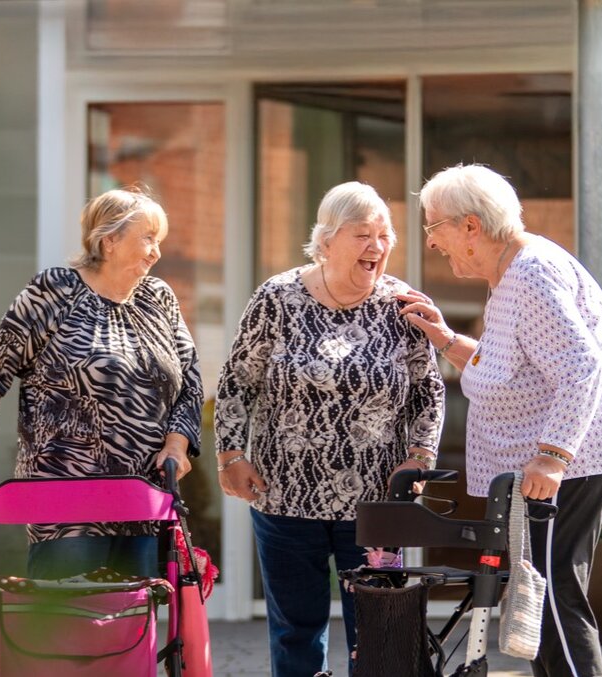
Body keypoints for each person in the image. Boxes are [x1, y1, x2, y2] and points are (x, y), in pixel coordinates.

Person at [398, 164, 602, 677]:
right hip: (566, 464)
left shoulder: (530, 274)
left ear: (470, 226)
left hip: (572, 466)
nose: (432, 242)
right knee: (540, 600)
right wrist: (445, 338)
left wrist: (552, 457)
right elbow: (511, 370)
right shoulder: (512, 272)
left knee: (550, 595)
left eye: (433, 227)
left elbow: (583, 364)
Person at [215, 181, 446, 677]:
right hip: (283, 496)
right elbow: (236, 381)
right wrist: (230, 456)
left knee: (381, 631)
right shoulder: (276, 298)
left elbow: (429, 390)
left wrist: (421, 455)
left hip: (377, 503)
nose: (378, 247)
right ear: (325, 240)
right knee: (296, 630)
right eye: (364, 234)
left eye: (385, 235)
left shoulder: (402, 307)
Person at [0, 188, 203, 580]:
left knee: (132, 619)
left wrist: (177, 444)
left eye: (159, 240)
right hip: (66, 493)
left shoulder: (158, 298)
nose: (156, 251)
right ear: (110, 240)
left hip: (140, 493)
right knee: (68, 617)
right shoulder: (55, 291)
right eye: (148, 238)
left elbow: (189, 380)